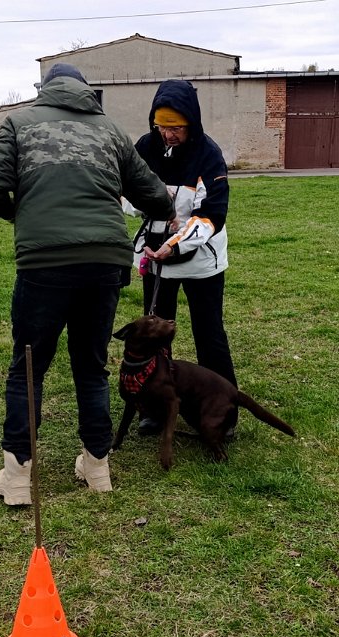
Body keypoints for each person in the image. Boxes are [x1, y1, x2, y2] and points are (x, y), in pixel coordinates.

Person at [0, 63, 174, 506]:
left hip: (43, 263)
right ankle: (97, 467)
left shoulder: (19, 123)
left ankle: (18, 478)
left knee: (28, 368)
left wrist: (15, 213)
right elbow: (156, 196)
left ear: (45, 89)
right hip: (104, 262)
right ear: (86, 92)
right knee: (91, 365)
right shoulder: (112, 131)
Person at [131, 79, 237, 435]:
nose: (168, 135)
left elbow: (212, 215)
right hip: (156, 261)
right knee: (154, 337)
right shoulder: (145, 148)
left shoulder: (209, 154)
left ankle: (223, 413)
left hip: (201, 262)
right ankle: (154, 408)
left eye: (175, 128)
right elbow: (126, 194)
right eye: (162, 127)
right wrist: (145, 207)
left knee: (209, 335)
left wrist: (176, 244)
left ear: (190, 123)